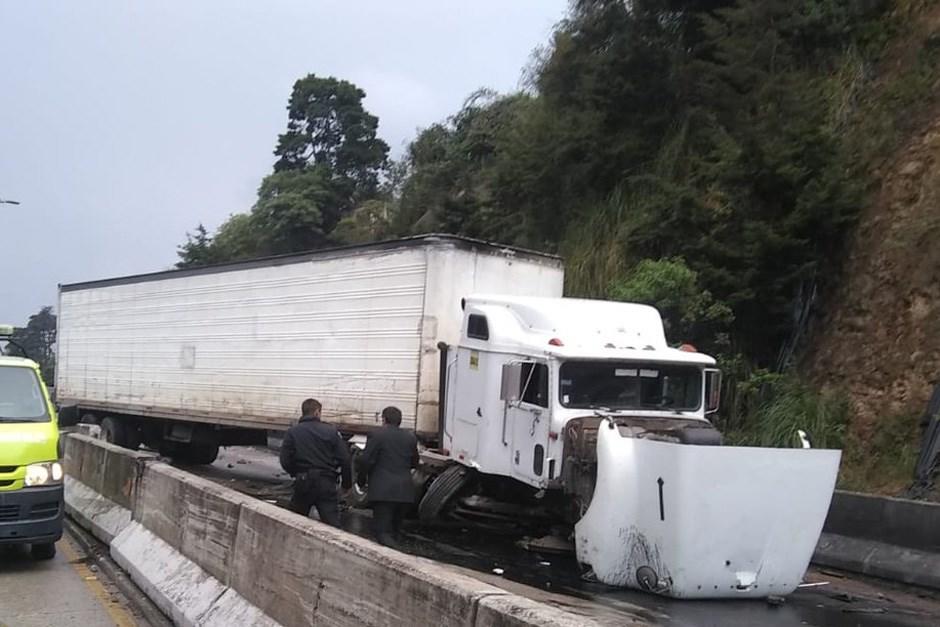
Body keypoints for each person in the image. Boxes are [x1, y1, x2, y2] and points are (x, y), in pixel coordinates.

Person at [279, 398, 352, 528]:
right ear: (317, 412)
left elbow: (285, 460)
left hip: (303, 481)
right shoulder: (331, 431)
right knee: (332, 525)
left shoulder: (293, 432)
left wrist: (296, 472)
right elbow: (345, 459)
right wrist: (346, 484)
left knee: (294, 523)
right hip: (326, 482)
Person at [359, 406, 419, 547]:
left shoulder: (377, 435)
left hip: (383, 491)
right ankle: (397, 554)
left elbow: (366, 460)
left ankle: (397, 560)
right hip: (405, 491)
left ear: (384, 419)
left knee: (382, 532)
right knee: (395, 531)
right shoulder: (410, 437)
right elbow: (414, 462)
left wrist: (361, 481)